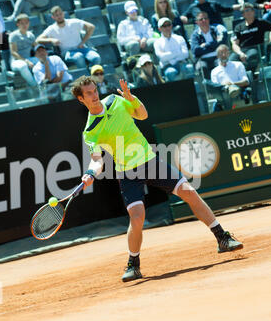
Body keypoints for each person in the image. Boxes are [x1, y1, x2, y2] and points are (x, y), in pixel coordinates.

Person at [71, 75, 243, 282]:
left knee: (188, 191)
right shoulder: (90, 131)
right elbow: (97, 161)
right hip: (127, 172)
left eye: (95, 90)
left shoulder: (115, 101)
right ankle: (133, 264)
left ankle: (222, 237)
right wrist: (90, 174)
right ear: (81, 99)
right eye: (88, 93)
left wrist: (130, 97)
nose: (94, 95)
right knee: (137, 217)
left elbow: (142, 115)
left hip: (150, 162)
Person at [36, 5, 101, 69]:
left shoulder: (73, 22)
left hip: (81, 48)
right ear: (53, 17)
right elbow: (38, 40)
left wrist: (83, 42)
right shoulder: (51, 29)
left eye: (60, 14)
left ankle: (92, 75)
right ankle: (85, 77)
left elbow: (91, 27)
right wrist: (51, 39)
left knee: (96, 57)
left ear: (63, 13)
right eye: (56, 15)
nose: (59, 16)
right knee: (79, 57)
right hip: (67, 52)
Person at [229, 3, 271, 72]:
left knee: (250, 56)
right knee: (231, 60)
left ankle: (249, 76)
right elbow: (234, 44)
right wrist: (240, 53)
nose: (248, 12)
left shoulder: (260, 22)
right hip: (242, 50)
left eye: (249, 10)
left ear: (253, 11)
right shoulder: (238, 27)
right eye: (245, 11)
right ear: (243, 15)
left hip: (257, 49)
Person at [206, 44, 251, 111]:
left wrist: (232, 83)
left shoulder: (238, 65)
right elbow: (215, 88)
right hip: (223, 95)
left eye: (225, 52)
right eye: (221, 53)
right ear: (217, 56)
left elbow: (246, 82)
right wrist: (224, 85)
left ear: (229, 54)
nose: (224, 55)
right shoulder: (214, 71)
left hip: (238, 93)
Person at [154, 17, 194, 82]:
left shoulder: (179, 38)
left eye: (168, 25)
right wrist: (177, 52)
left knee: (190, 68)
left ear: (171, 26)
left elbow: (186, 54)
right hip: (167, 66)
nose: (167, 28)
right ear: (159, 29)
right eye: (164, 26)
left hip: (182, 63)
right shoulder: (157, 42)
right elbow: (162, 58)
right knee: (171, 72)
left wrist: (169, 55)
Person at [190, 11, 228, 79]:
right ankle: (210, 87)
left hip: (217, 56)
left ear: (209, 19)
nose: (204, 20)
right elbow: (195, 51)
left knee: (222, 64)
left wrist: (205, 45)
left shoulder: (216, 30)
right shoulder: (195, 35)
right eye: (201, 19)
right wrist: (214, 44)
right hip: (202, 59)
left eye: (205, 18)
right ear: (197, 22)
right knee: (201, 67)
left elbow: (221, 43)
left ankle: (224, 85)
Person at [8, 13, 38, 87]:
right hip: (16, 61)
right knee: (23, 66)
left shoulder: (31, 35)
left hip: (28, 59)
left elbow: (37, 48)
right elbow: (13, 52)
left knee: (45, 60)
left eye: (26, 23)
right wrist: (26, 61)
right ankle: (34, 86)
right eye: (22, 23)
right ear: (17, 24)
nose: (25, 25)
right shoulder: (13, 36)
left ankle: (44, 82)